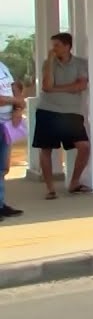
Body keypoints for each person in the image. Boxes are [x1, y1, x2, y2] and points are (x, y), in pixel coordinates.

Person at [34, 32, 92, 199]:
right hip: (48, 110)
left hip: (72, 112)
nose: (54, 49)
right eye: (53, 46)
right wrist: (51, 62)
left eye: (57, 45)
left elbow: (80, 86)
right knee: (46, 149)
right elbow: (46, 85)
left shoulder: (81, 63)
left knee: (84, 146)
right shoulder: (48, 63)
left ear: (67, 46)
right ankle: (50, 188)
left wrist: (56, 89)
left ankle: (74, 182)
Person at [0, 58, 25, 219]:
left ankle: (1, 204)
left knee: (2, 167)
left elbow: (14, 86)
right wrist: (17, 101)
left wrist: (17, 109)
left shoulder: (2, 66)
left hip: (5, 123)